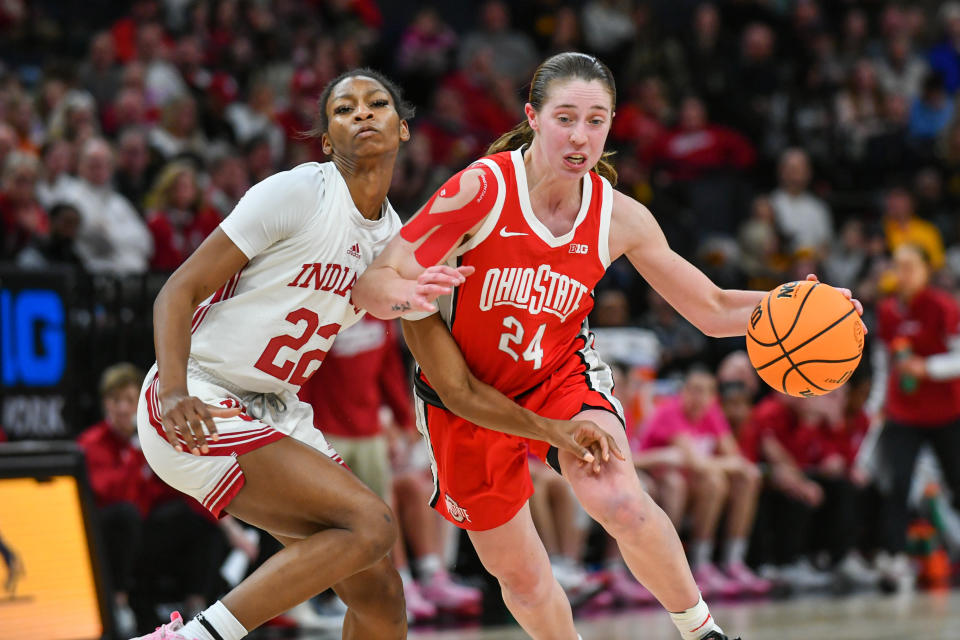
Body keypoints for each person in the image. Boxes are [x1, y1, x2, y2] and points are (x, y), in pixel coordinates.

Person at [356, 52, 863, 640]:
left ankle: (703, 632)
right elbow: (374, 282)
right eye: (565, 117)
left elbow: (713, 309)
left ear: (612, 125)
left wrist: (795, 305)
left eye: (596, 120)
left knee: (620, 499)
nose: (580, 135)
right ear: (533, 117)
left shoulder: (619, 217)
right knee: (521, 577)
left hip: (559, 378)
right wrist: (411, 294)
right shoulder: (482, 189)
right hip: (465, 395)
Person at [132, 69, 467, 640]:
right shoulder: (297, 192)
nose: (362, 113)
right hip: (200, 393)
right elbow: (176, 290)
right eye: (343, 109)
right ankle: (194, 637)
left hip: (276, 409)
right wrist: (174, 387)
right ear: (327, 139)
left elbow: (418, 329)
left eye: (377, 103)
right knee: (372, 523)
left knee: (381, 594)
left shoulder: (393, 238)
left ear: (405, 129)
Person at [636, 368, 770, 597]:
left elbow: (733, 457)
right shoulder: (670, 412)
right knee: (706, 482)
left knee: (746, 480)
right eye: (694, 390)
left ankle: (731, 561)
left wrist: (738, 467)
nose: (699, 397)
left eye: (706, 392)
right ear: (683, 392)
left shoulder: (712, 413)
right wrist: (733, 465)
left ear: (713, 397)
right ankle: (670, 564)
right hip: (656, 479)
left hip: (690, 482)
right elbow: (696, 462)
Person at [873, 243, 960, 590]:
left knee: (957, 484)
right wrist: (876, 405)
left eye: (910, 266)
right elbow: (883, 363)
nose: (903, 273)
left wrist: (927, 368)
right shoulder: (887, 310)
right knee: (897, 484)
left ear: (926, 270)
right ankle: (894, 558)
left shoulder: (943, 306)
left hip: (946, 412)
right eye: (898, 265)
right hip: (902, 412)